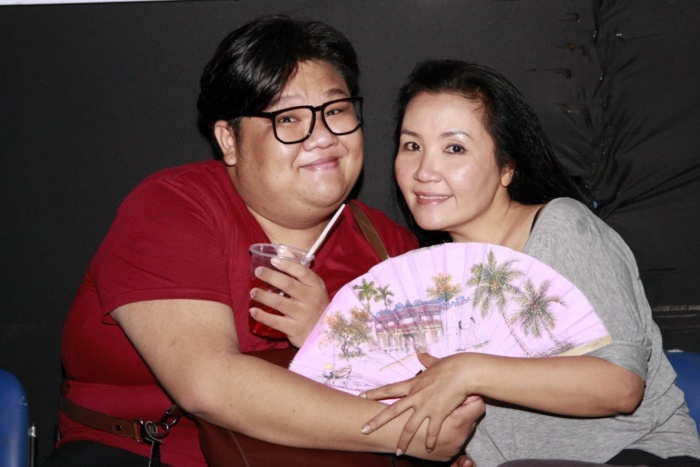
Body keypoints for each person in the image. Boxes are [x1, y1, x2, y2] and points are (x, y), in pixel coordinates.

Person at [43, 19, 485, 467]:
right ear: (228, 140)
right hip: (147, 456)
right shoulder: (172, 209)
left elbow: (425, 384)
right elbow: (207, 383)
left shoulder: (389, 247)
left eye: (336, 111)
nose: (323, 137)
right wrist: (408, 434)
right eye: (288, 118)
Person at [359, 60, 700, 466]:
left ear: (507, 167)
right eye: (412, 146)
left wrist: (468, 371)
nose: (424, 171)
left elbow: (621, 387)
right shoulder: (428, 276)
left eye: (455, 148)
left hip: (640, 455)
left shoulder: (561, 229)